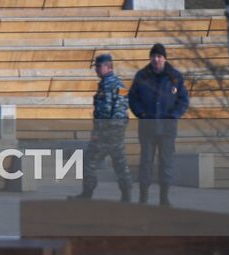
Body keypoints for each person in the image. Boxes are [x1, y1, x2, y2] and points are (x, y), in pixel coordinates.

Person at [128, 42, 190, 207]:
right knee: (146, 162)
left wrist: (174, 115)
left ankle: (164, 198)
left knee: (166, 162)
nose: (156, 59)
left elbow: (183, 100)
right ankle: (143, 198)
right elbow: (132, 98)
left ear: (164, 58)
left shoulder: (174, 77)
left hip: (167, 129)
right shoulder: (142, 76)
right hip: (147, 127)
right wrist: (141, 113)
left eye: (159, 56)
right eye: (153, 56)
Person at [74, 53, 132, 202]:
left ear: (108, 66)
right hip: (111, 132)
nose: (96, 70)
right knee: (120, 164)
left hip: (108, 133)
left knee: (91, 161)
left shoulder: (114, 85)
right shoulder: (110, 85)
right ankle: (126, 195)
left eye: (99, 67)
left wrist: (100, 133)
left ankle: (88, 194)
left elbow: (117, 112)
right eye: (96, 67)